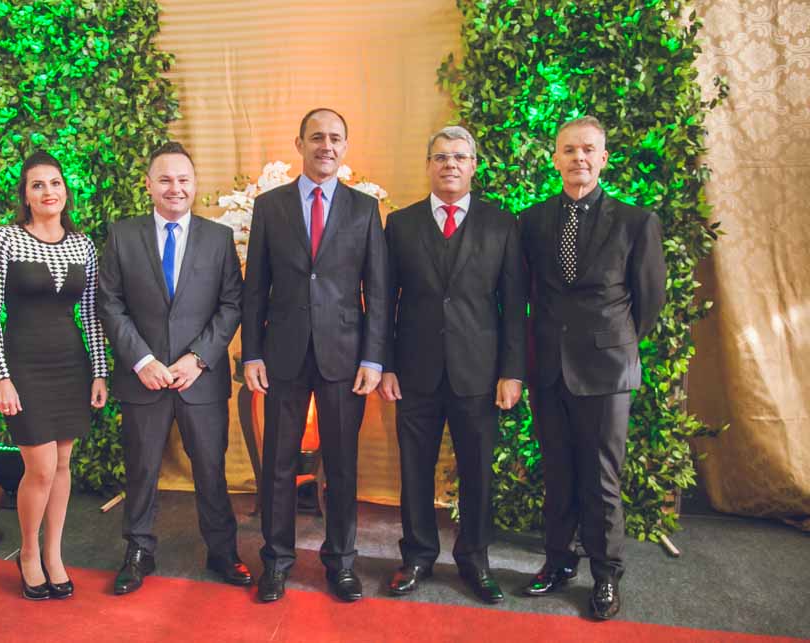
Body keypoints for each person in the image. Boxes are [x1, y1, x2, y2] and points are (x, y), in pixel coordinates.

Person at [519, 116, 667, 619]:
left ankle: (605, 576)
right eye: (569, 150)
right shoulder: (532, 221)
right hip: (548, 369)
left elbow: (649, 302)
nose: (578, 158)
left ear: (603, 158)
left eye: (588, 150)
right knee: (558, 472)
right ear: (555, 159)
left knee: (601, 477)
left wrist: (612, 344)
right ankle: (559, 562)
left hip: (606, 370)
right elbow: (528, 292)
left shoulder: (635, 221)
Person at [242, 108, 389, 603]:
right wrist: (251, 353)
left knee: (342, 466)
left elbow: (378, 291)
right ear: (299, 143)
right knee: (278, 464)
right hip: (282, 354)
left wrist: (373, 359)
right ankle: (276, 562)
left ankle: (341, 563)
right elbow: (255, 288)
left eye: (335, 138)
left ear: (345, 146)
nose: (326, 145)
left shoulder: (365, 209)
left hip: (344, 358)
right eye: (317, 137)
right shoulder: (270, 206)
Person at [379, 126, 526, 603]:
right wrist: (385, 364)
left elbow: (514, 304)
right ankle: (417, 556)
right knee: (414, 470)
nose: (450, 164)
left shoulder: (502, 224)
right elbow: (384, 301)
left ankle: (475, 559)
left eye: (460, 157)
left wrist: (512, 371)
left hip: (479, 375)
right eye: (441, 157)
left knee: (478, 471)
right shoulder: (400, 224)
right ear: (428, 165)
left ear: (473, 166)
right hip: (413, 371)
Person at [97, 141, 249, 595]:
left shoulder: (218, 238)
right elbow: (110, 303)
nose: (175, 188)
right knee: (141, 468)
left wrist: (198, 358)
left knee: (211, 468)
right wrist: (142, 360)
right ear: (148, 185)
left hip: (200, 379)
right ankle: (138, 551)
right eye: (165, 180)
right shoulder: (122, 235)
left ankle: (223, 551)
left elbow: (231, 304)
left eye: (183, 179)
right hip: (142, 377)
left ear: (194, 184)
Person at [0, 150, 109, 600]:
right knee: (41, 467)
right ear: (26, 195)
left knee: (64, 464)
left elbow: (90, 314)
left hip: (70, 364)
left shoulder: (82, 245)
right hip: (23, 366)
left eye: (55, 183)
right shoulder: (3, 240)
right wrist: (1, 377)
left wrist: (99, 372)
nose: (48, 191)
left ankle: (54, 554)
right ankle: (29, 553)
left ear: (65, 191)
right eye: (38, 185)